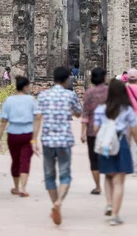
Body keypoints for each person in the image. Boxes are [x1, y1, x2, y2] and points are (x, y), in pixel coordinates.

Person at [32, 66, 82, 226]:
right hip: (64, 140)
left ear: (53, 79)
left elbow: (38, 117)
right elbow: (79, 113)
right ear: (67, 79)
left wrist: (34, 140)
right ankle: (59, 202)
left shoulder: (44, 95)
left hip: (47, 140)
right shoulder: (70, 95)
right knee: (65, 174)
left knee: (49, 175)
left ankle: (55, 204)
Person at [94, 79, 137, 226]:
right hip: (120, 142)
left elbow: (96, 130)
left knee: (108, 176)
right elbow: (135, 130)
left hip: (104, 145)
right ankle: (115, 215)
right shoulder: (127, 109)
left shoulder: (101, 108)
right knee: (119, 182)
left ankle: (109, 203)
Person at [0, 76, 36, 196]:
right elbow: (37, 118)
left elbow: (4, 120)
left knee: (15, 160)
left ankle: (16, 187)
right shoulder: (32, 100)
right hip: (27, 133)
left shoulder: (9, 100)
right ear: (25, 87)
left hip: (13, 133)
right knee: (25, 160)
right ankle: (23, 188)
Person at [81, 67, 108, 194]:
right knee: (109, 157)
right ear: (104, 77)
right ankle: (109, 184)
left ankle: (98, 186)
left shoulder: (89, 93)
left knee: (94, 159)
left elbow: (85, 114)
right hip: (108, 130)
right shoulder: (110, 92)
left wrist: (82, 132)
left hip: (92, 131)